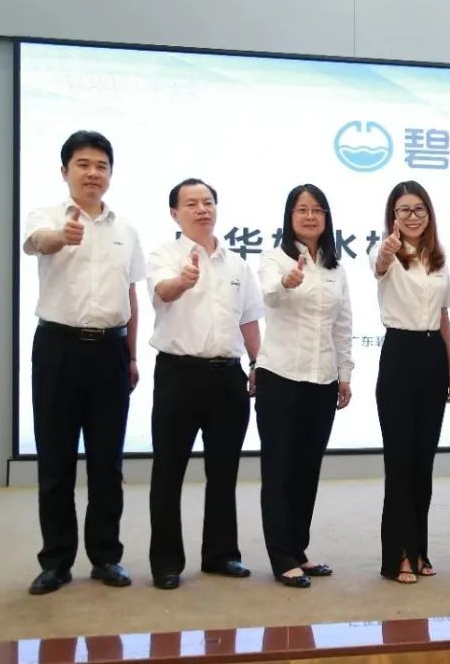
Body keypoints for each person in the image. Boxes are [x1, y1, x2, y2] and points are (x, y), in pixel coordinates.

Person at [22, 130, 144, 594]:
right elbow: (38, 242)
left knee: (107, 463)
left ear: (110, 173)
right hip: (58, 348)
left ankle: (106, 557)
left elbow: (131, 295)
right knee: (55, 460)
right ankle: (55, 561)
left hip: (110, 351)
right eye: (83, 164)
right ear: (65, 171)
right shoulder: (47, 216)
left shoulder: (125, 230)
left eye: (101, 166)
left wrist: (132, 355)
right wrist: (62, 236)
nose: (93, 173)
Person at [145, 178, 263, 590]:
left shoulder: (237, 264)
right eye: (191, 203)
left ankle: (221, 555)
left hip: (228, 377)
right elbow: (163, 291)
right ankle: (166, 562)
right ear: (175, 213)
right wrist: (183, 281)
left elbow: (249, 318)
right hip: (178, 374)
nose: (202, 209)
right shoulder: (164, 255)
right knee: (168, 471)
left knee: (224, 471)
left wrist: (257, 363)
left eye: (208, 202)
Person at [256, 184, 353, 588]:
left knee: (307, 469)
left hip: (322, 380)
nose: (310, 216)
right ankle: (281, 557)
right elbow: (268, 296)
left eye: (317, 210)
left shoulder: (335, 268)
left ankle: (298, 549)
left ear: (326, 218)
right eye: (302, 209)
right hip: (280, 376)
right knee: (279, 469)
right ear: (289, 216)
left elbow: (343, 324)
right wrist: (288, 281)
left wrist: (344, 374)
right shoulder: (274, 258)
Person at [370, 181, 450, 584]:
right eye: (404, 210)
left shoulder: (438, 259)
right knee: (400, 462)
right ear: (393, 216)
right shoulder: (386, 252)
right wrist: (388, 251)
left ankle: (419, 549)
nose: (412, 216)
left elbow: (443, 316)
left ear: (429, 214)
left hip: (432, 357)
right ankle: (397, 557)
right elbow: (379, 266)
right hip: (399, 356)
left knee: (423, 463)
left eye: (419, 209)